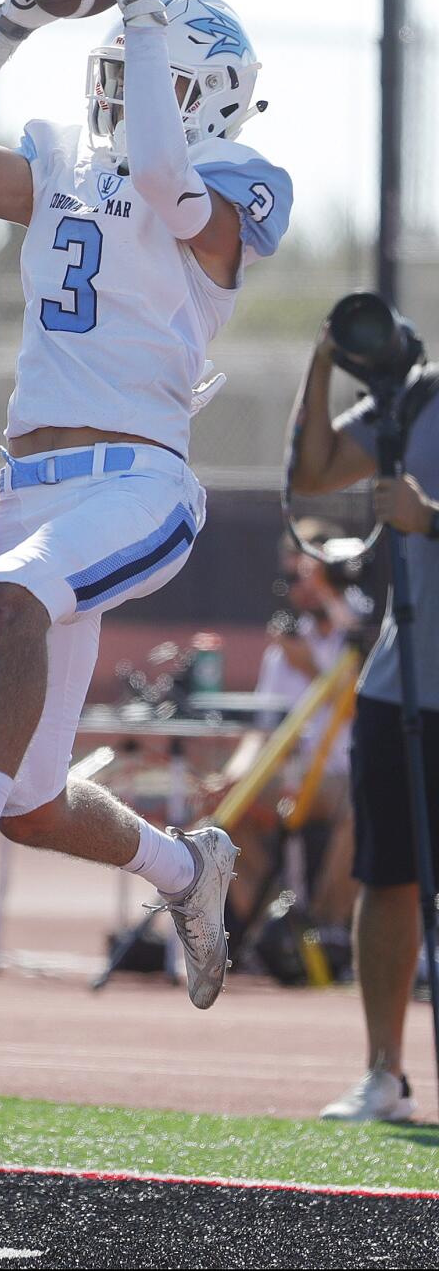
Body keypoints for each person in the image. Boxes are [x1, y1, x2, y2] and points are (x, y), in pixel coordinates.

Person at [0, 0, 292, 1011]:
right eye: (115, 62)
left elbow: (165, 174)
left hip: (139, 484)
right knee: (34, 798)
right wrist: (9, 26)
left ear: (204, 87)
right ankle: (186, 869)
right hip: (37, 494)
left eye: (142, 64)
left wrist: (148, 7)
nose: (118, 85)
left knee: (14, 596)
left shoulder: (244, 179)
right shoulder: (63, 163)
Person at [291, 322, 439, 1122]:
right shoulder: (416, 398)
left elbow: (420, 515)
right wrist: (321, 364)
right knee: (387, 876)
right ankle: (384, 1071)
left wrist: (432, 519)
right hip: (404, 680)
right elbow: (313, 471)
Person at [210, 524, 360, 933]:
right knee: (220, 813)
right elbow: (262, 729)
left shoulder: (359, 636)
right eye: (292, 578)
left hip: (345, 778)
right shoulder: (284, 650)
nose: (301, 588)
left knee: (365, 811)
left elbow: (360, 709)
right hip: (294, 776)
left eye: (309, 575)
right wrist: (235, 776)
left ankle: (328, 932)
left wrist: (310, 666)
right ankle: (273, 931)